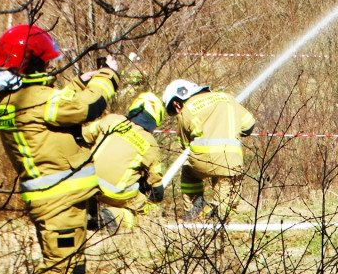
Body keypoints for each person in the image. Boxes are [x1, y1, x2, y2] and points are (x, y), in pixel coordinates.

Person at [0, 24, 119, 274]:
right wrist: (107, 76)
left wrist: (78, 82)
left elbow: (57, 108)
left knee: (71, 260)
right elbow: (88, 107)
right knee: (59, 264)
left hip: (50, 197)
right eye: (46, 61)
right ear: (35, 63)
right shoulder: (38, 100)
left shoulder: (12, 99)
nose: (49, 66)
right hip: (59, 198)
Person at [161, 79, 256, 221]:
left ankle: (193, 210)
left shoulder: (185, 111)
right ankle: (218, 215)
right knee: (225, 201)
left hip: (200, 162)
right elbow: (249, 126)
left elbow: (185, 145)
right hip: (230, 162)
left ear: (176, 102)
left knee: (188, 173)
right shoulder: (227, 98)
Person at [81, 92, 166, 234]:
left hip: (88, 181)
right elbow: (157, 189)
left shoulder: (112, 119)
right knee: (145, 211)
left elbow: (83, 136)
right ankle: (112, 218)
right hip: (117, 192)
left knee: (89, 169)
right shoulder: (150, 142)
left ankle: (88, 214)